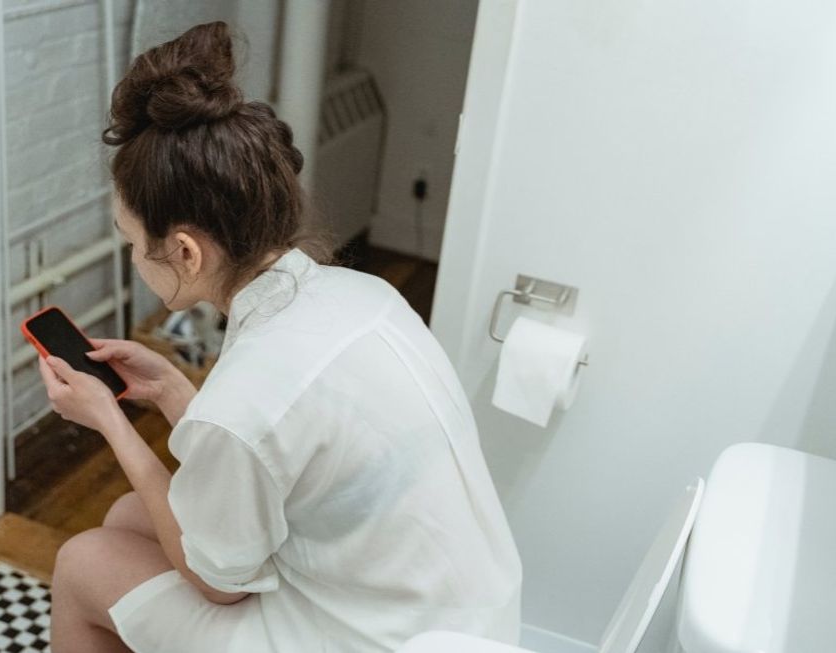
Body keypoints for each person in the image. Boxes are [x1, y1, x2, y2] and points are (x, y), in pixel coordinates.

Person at [36, 20, 521, 653]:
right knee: (132, 517)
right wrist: (178, 393)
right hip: (457, 615)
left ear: (183, 252)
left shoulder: (246, 396)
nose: (132, 257)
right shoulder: (363, 297)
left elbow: (219, 585)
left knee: (83, 561)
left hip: (372, 640)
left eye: (132, 242)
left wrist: (113, 424)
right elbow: (283, 448)